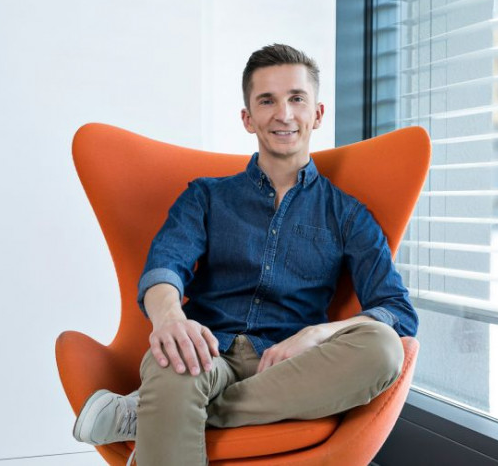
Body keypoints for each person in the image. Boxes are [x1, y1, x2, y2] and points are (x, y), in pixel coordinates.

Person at [72, 43, 418, 465]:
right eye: (267, 101)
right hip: (204, 352)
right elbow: (165, 266)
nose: (283, 114)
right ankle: (166, 404)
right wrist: (170, 319)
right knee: (172, 363)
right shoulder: (206, 196)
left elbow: (396, 311)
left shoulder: (347, 215)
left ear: (317, 113)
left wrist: (317, 334)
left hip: (288, 366)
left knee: (384, 349)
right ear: (247, 118)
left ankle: (152, 413)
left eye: (296, 99)